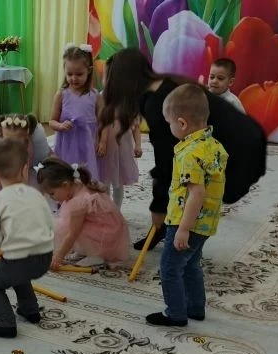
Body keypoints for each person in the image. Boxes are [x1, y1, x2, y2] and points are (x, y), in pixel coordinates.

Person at [102, 48, 266, 251]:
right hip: (246, 140)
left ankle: (180, 241)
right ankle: (173, 230)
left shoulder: (157, 102)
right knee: (183, 179)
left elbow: (166, 160)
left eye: (110, 80)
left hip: (242, 153)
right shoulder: (162, 86)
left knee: (193, 192)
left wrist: (158, 206)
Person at [147, 84, 228, 327]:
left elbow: (197, 193)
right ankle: (195, 307)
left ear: (182, 123)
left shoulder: (189, 154)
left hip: (186, 222)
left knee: (170, 268)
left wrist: (183, 229)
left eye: (169, 123)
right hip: (206, 222)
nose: (169, 127)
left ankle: (175, 314)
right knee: (192, 263)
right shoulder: (213, 145)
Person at [0, 139, 54, 338]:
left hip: (19, 260)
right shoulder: (36, 194)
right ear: (24, 169)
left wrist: (1, 246)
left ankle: (5, 324)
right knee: (17, 272)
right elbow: (49, 223)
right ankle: (30, 310)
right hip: (44, 257)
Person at [36, 157, 130, 269]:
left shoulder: (78, 202)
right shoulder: (77, 183)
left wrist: (59, 256)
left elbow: (72, 234)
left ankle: (96, 255)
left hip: (106, 235)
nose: (52, 198)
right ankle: (84, 250)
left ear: (65, 185)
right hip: (105, 226)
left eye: (52, 194)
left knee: (70, 228)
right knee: (69, 223)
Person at [50, 43, 102, 180]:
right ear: (64, 71)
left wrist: (102, 141)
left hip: (87, 145)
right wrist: (60, 126)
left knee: (86, 176)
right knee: (66, 176)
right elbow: (52, 121)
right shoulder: (61, 94)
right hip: (66, 146)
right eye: (69, 74)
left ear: (89, 71)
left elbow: (102, 122)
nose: (74, 78)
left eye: (79, 74)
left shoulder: (95, 96)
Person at [96, 77, 143, 207]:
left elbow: (136, 127)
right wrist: (101, 141)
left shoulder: (130, 101)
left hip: (123, 145)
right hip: (105, 146)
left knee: (119, 181)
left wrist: (138, 145)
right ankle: (106, 208)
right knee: (104, 179)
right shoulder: (101, 97)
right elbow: (99, 121)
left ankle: (117, 210)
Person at [0, 113, 52, 192]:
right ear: (2, 136)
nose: (12, 146)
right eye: (8, 141)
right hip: (6, 180)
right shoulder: (1, 152)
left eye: (17, 142)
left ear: (26, 137)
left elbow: (23, 179)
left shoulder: (27, 150)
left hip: (23, 179)